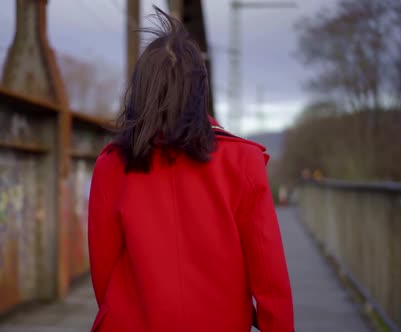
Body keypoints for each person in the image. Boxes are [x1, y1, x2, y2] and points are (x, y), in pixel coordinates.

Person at [88, 6, 294, 332]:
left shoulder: (110, 165)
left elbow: (103, 272)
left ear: (140, 91)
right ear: (200, 91)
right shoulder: (243, 162)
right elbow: (270, 281)